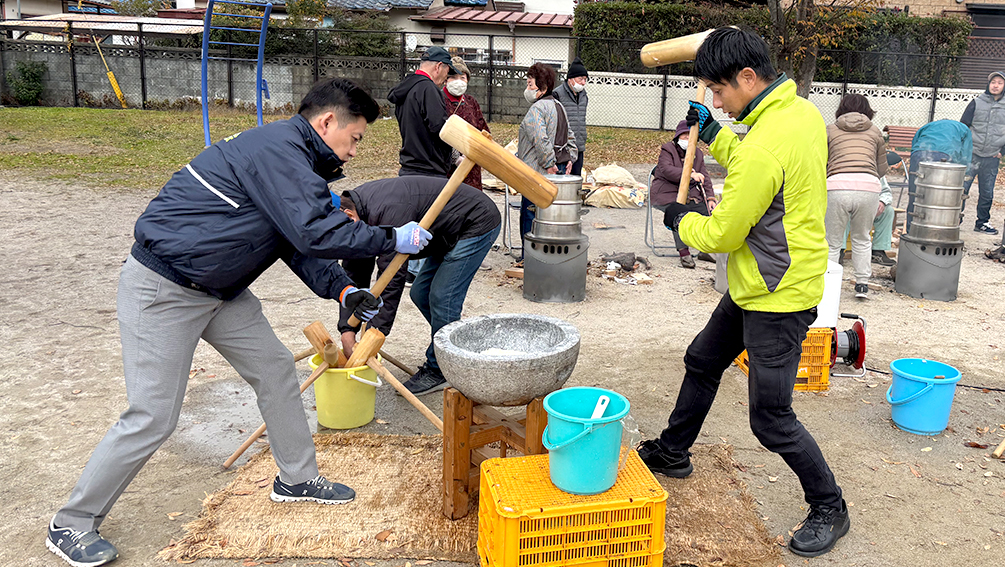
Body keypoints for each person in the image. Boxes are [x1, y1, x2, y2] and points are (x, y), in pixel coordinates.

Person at [45, 78, 433, 567]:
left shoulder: (294, 161)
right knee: (153, 415)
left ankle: (296, 478)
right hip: (164, 288)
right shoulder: (277, 151)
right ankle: (72, 522)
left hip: (222, 292)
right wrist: (390, 238)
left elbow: (292, 239)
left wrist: (343, 288)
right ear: (327, 121)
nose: (355, 151)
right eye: (354, 138)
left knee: (275, 369)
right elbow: (314, 232)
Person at [638, 28, 848, 558]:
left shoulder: (766, 142)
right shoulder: (798, 113)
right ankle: (674, 450)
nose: (715, 101)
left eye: (718, 90)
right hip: (760, 282)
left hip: (779, 294)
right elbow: (756, 157)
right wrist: (715, 133)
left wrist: (680, 219)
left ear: (748, 78)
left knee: (771, 418)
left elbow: (723, 233)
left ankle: (830, 506)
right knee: (703, 359)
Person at [337, 177, 501, 395]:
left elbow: (391, 277)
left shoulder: (387, 212)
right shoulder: (356, 212)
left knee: (442, 297)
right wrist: (347, 330)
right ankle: (456, 345)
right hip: (445, 229)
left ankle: (440, 370)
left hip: (475, 222)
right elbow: (355, 272)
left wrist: (372, 338)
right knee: (420, 293)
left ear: (349, 216)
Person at [823, 94, 887, 299]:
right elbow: (882, 168)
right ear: (867, 110)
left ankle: (828, 286)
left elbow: (821, 160)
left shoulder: (829, 130)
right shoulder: (875, 131)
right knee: (862, 238)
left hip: (836, 187)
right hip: (868, 187)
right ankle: (862, 285)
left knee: (832, 241)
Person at [517, 62, 577, 254]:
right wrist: (570, 158)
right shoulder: (559, 106)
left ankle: (529, 256)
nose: (527, 88)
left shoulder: (537, 109)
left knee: (531, 215)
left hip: (537, 171)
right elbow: (570, 136)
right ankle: (547, 256)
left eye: (530, 84)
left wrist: (549, 163)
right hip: (558, 170)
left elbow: (540, 139)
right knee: (551, 217)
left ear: (542, 88)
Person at [650, 119, 717, 269]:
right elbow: (666, 170)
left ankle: (705, 250)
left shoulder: (698, 153)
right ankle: (684, 253)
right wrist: (689, 173)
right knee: (678, 213)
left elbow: (705, 177)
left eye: (690, 134)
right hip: (666, 193)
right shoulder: (668, 149)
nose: (687, 137)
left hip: (690, 195)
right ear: (677, 136)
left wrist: (710, 198)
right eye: (684, 134)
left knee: (708, 213)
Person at [387, 46, 458, 178]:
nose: (446, 78)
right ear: (438, 67)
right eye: (447, 72)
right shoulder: (429, 89)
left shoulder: (407, 88)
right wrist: (456, 153)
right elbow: (440, 129)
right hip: (429, 169)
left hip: (409, 167)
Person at [904, 120, 972, 232]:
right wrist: (964, 173)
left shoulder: (929, 125)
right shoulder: (965, 129)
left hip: (919, 153)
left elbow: (915, 141)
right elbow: (966, 154)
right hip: (945, 154)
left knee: (916, 193)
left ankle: (911, 230)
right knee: (942, 197)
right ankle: (939, 230)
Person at [960, 71, 1005, 235]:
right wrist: (964, 148)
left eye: (1000, 83)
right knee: (961, 189)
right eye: (993, 82)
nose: (996, 85)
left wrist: (1002, 152)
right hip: (972, 155)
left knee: (987, 193)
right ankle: (954, 219)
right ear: (988, 84)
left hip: (992, 157)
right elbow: (963, 126)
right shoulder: (976, 103)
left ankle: (982, 222)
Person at [443, 56, 489, 190]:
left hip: (471, 168)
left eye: (462, 78)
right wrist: (455, 157)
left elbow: (483, 130)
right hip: (447, 170)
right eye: (453, 77)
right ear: (446, 80)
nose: (458, 81)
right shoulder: (439, 100)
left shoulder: (471, 102)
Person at [553, 57, 589, 176]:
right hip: (563, 149)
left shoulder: (584, 96)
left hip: (579, 147)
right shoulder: (557, 94)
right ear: (570, 79)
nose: (583, 82)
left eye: (585, 79)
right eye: (580, 79)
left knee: (576, 179)